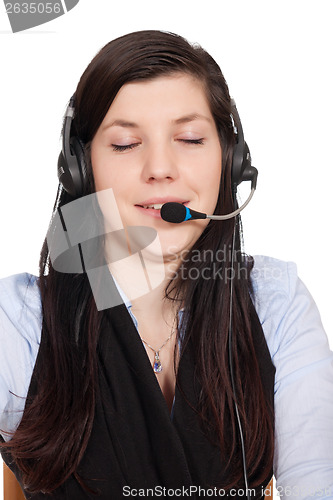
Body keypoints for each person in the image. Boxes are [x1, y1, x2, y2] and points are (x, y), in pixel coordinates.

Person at [0, 30, 332, 499]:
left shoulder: (276, 302)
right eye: (124, 144)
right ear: (79, 170)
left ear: (231, 162)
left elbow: (317, 480)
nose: (160, 167)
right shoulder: (19, 322)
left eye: (191, 138)